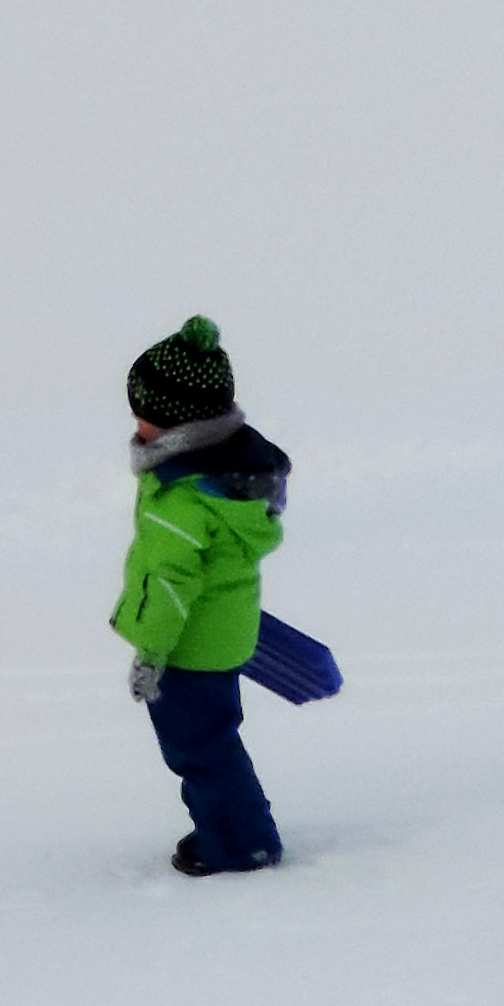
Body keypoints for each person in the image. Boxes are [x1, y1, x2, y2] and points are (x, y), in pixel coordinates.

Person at [115, 314, 289, 875]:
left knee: (199, 751)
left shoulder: (183, 501)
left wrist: (152, 654)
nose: (135, 426)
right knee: (216, 743)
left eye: (143, 417)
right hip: (224, 633)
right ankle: (239, 832)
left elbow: (170, 587)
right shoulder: (228, 477)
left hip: (188, 649)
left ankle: (240, 843)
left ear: (174, 424)